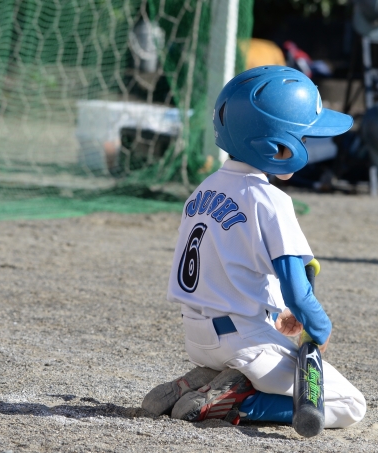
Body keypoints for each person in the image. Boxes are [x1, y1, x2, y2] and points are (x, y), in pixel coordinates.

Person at [141, 65, 366, 429]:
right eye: (301, 136)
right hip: (244, 343)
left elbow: (229, 264)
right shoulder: (270, 200)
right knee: (351, 405)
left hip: (197, 336)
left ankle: (204, 380)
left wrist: (277, 311)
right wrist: (319, 329)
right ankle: (239, 404)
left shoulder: (203, 190)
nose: (306, 143)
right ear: (275, 146)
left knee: (253, 352)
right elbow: (298, 289)